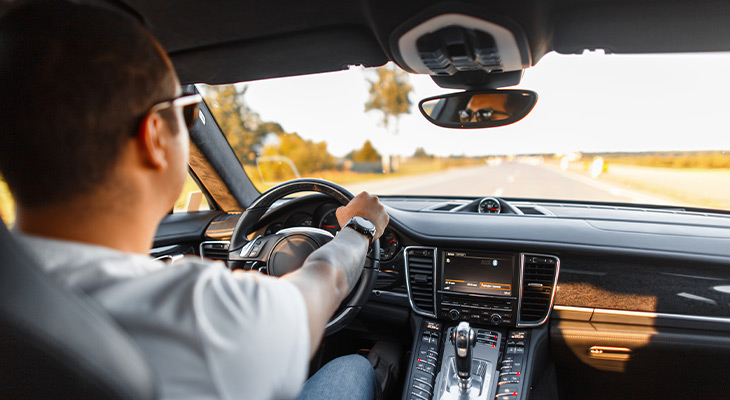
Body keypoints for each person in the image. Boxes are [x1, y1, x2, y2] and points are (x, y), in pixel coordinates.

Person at [0, 2, 389, 400]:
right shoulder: (200, 313)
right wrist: (360, 228)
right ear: (154, 137)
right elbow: (329, 280)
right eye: (186, 114)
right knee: (353, 367)